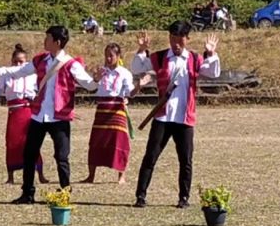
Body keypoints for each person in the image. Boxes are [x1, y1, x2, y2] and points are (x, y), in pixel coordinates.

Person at [0, 26, 99, 203]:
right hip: (39, 114)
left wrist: (97, 79)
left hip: (59, 117)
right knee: (29, 154)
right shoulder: (41, 60)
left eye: (48, 38)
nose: (44, 41)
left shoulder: (71, 64)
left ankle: (64, 193)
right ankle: (27, 193)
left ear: (57, 42)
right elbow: (17, 71)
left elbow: (90, 85)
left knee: (62, 157)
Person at [130, 23, 221, 208]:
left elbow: (213, 72)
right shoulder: (161, 57)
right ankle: (140, 196)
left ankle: (184, 198)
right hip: (163, 117)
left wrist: (210, 53)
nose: (176, 43)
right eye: (172, 38)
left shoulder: (195, 58)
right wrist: (141, 50)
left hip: (184, 118)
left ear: (187, 39)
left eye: (180, 39)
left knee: (185, 160)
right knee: (150, 157)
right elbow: (137, 67)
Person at [0, 44, 48, 185]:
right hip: (14, 111)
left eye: (21, 62)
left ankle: (40, 173)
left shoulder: (32, 74)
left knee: (32, 142)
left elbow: (40, 90)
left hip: (28, 110)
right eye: (15, 61)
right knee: (12, 142)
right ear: (11, 62)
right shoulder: (6, 75)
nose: (18, 64)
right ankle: (10, 176)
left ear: (26, 62)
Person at [79, 43, 134, 184]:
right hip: (102, 109)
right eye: (106, 56)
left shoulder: (125, 73)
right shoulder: (100, 72)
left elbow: (129, 91)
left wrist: (138, 88)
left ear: (118, 56)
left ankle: (121, 176)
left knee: (120, 141)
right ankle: (91, 175)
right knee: (96, 141)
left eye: (111, 56)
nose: (108, 59)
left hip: (117, 110)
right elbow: (91, 86)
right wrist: (96, 78)